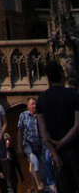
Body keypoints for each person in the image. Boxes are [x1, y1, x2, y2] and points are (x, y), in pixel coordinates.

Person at [37, 60, 79, 193]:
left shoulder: (42, 99)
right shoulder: (73, 95)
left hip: (57, 152)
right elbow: (77, 126)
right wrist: (63, 142)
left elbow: (43, 131)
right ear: (62, 74)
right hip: (75, 148)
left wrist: (54, 152)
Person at [19, 97, 46, 192]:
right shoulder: (23, 116)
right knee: (34, 163)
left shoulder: (40, 115)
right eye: (32, 104)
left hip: (40, 144)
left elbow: (44, 131)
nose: (34, 106)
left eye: (35, 104)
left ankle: (42, 185)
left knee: (43, 168)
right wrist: (19, 147)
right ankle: (39, 185)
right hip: (28, 144)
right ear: (28, 106)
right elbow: (20, 132)